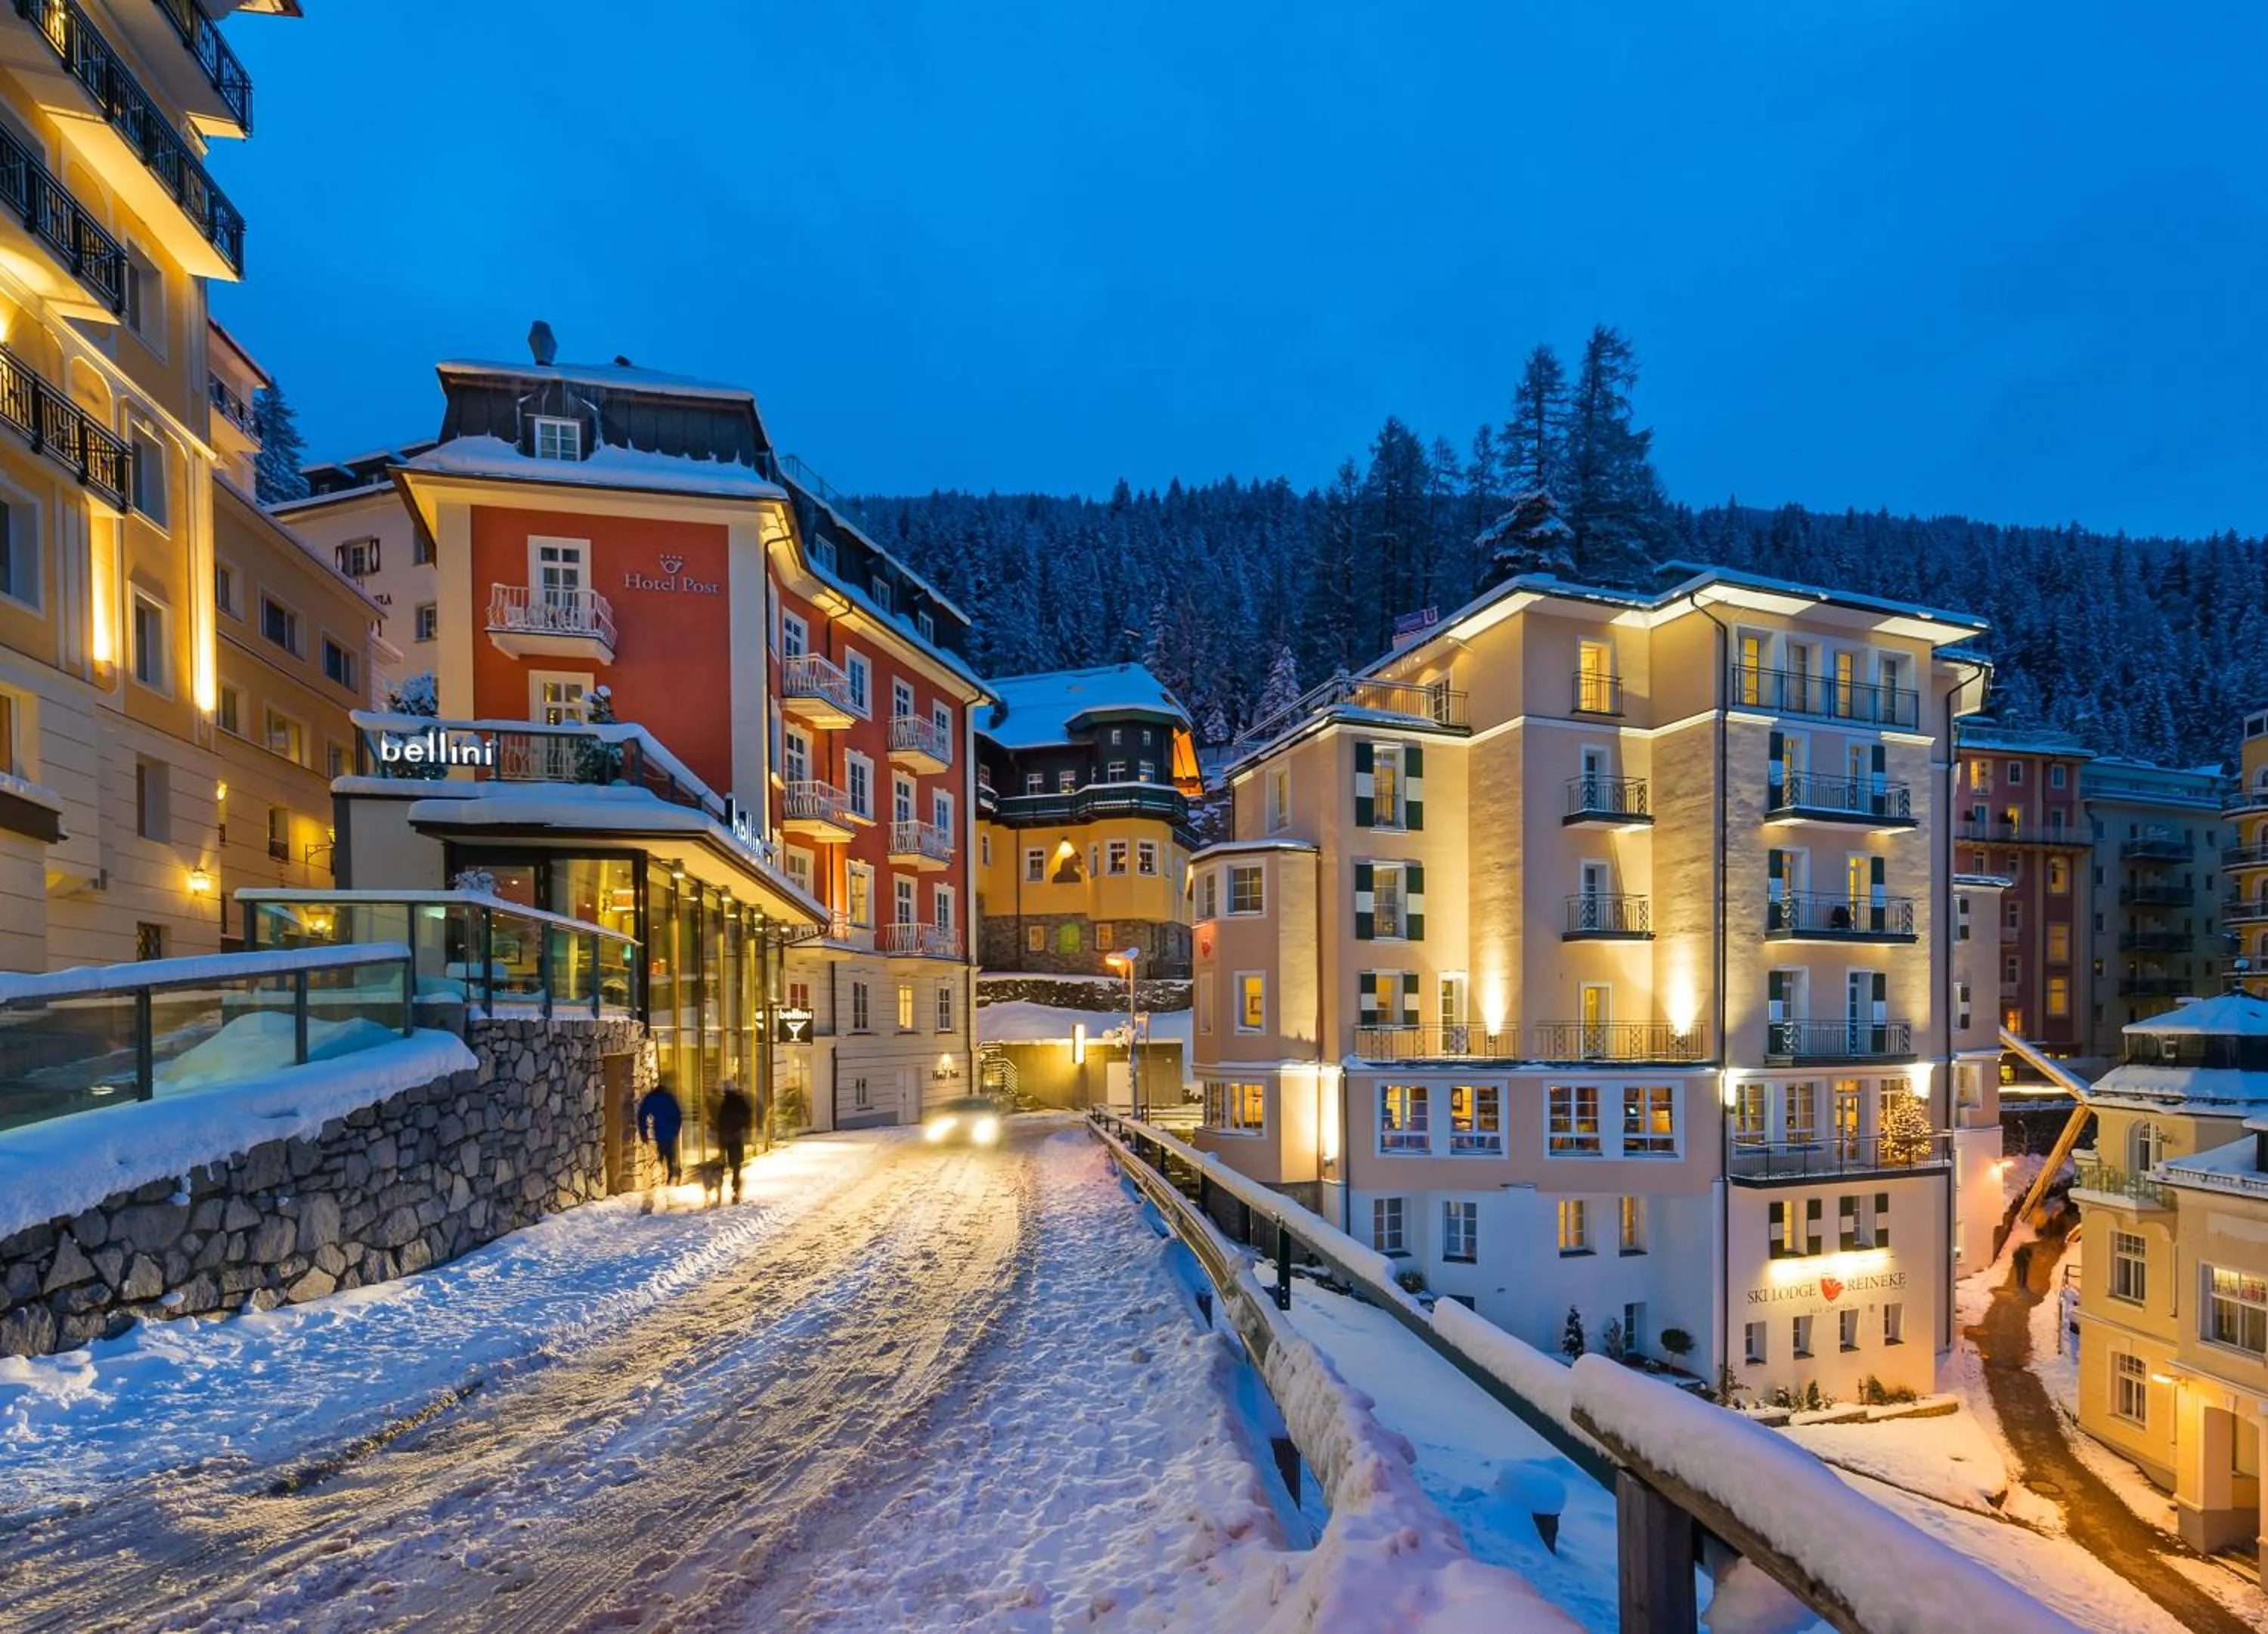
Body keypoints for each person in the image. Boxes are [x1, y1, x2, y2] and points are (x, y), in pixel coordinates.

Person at [637, 1078, 683, 1186]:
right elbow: (677, 1115)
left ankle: (668, 1174)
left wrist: (643, 1132)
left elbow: (642, 1115)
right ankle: (672, 1173)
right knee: (669, 1155)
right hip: (670, 1133)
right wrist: (676, 1129)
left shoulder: (651, 1099)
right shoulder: (669, 1099)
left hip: (659, 1132)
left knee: (662, 1155)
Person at [716, 1082, 754, 1203]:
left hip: (725, 1136)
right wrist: (744, 1126)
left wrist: (720, 1134)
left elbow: (720, 1120)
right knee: (736, 1164)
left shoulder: (724, 1103)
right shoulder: (740, 1101)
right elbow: (748, 1117)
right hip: (736, 1136)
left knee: (722, 1162)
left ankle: (719, 1185)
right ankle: (735, 1187)